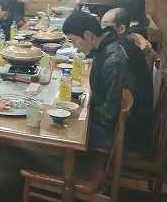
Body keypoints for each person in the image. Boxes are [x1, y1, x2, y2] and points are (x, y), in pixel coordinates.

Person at [62, 11, 152, 149]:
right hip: (125, 122)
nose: (74, 47)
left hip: (124, 133)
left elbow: (110, 115)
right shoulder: (110, 41)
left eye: (73, 41)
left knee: (66, 128)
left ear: (88, 35)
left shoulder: (114, 60)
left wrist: (82, 112)